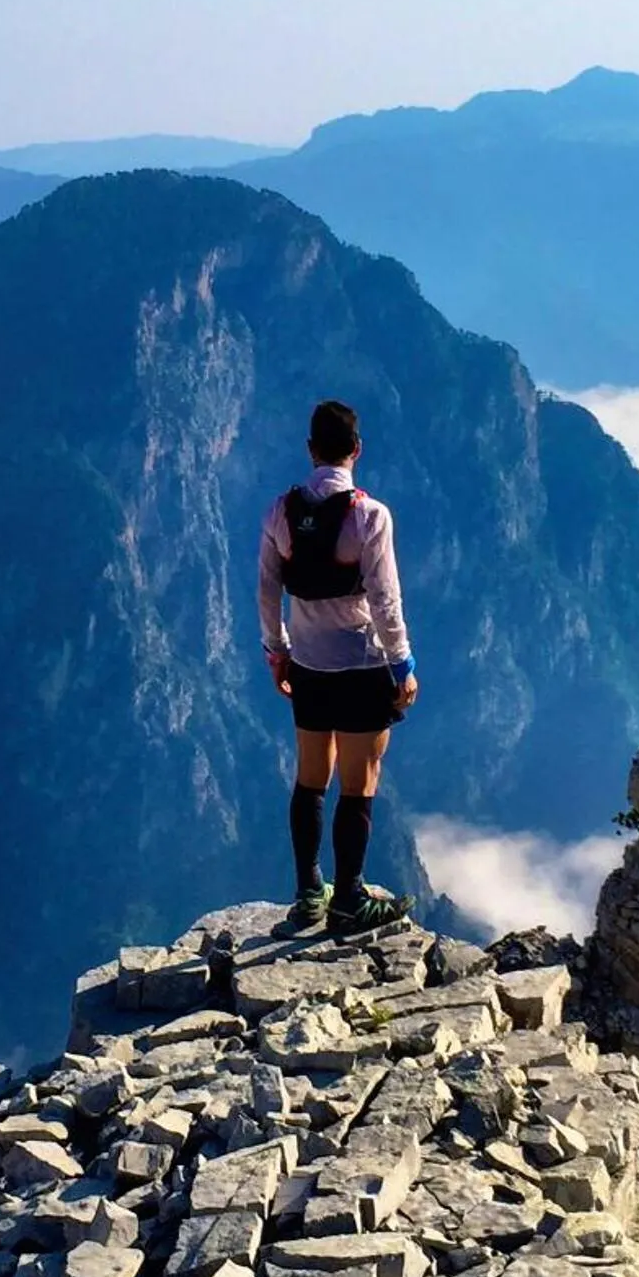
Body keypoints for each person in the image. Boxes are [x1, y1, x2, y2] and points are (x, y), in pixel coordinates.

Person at [257, 398, 421, 932]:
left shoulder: (280, 512)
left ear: (311, 450)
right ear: (357, 449)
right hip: (362, 667)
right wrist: (402, 664)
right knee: (359, 781)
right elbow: (385, 600)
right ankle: (348, 898)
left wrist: (277, 651)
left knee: (310, 777)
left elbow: (268, 591)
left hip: (307, 665)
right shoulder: (369, 516)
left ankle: (309, 892)